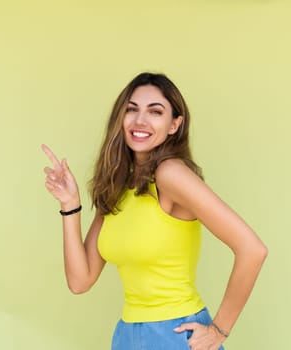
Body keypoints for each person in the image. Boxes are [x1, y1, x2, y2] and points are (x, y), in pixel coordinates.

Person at [41, 72, 267, 350]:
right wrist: (69, 205)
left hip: (174, 334)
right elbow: (80, 281)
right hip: (127, 336)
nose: (140, 121)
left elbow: (252, 249)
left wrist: (219, 330)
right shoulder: (118, 185)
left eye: (155, 112)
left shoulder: (170, 175)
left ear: (174, 125)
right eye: (131, 110)